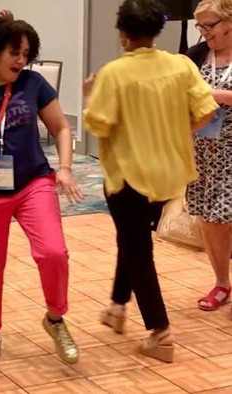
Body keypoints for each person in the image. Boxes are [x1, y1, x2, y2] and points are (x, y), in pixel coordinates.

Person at [84, 0, 217, 363]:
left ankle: (161, 332)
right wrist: (174, 129)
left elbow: (98, 124)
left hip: (128, 176)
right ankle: (116, 306)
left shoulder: (114, 73)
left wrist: (89, 96)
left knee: (137, 248)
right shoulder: (182, 65)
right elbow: (207, 112)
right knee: (133, 237)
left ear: (123, 34)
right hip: (169, 174)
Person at [0, 15, 83, 366]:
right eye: (14, 52)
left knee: (53, 253)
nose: (20, 60)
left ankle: (55, 318)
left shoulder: (32, 84)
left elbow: (61, 128)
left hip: (33, 182)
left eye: (26, 53)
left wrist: (66, 169)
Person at [187, 0, 232, 314]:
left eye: (210, 25)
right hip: (204, 151)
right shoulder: (196, 55)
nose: (204, 33)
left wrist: (213, 95)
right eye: (199, 26)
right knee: (212, 221)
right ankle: (221, 283)